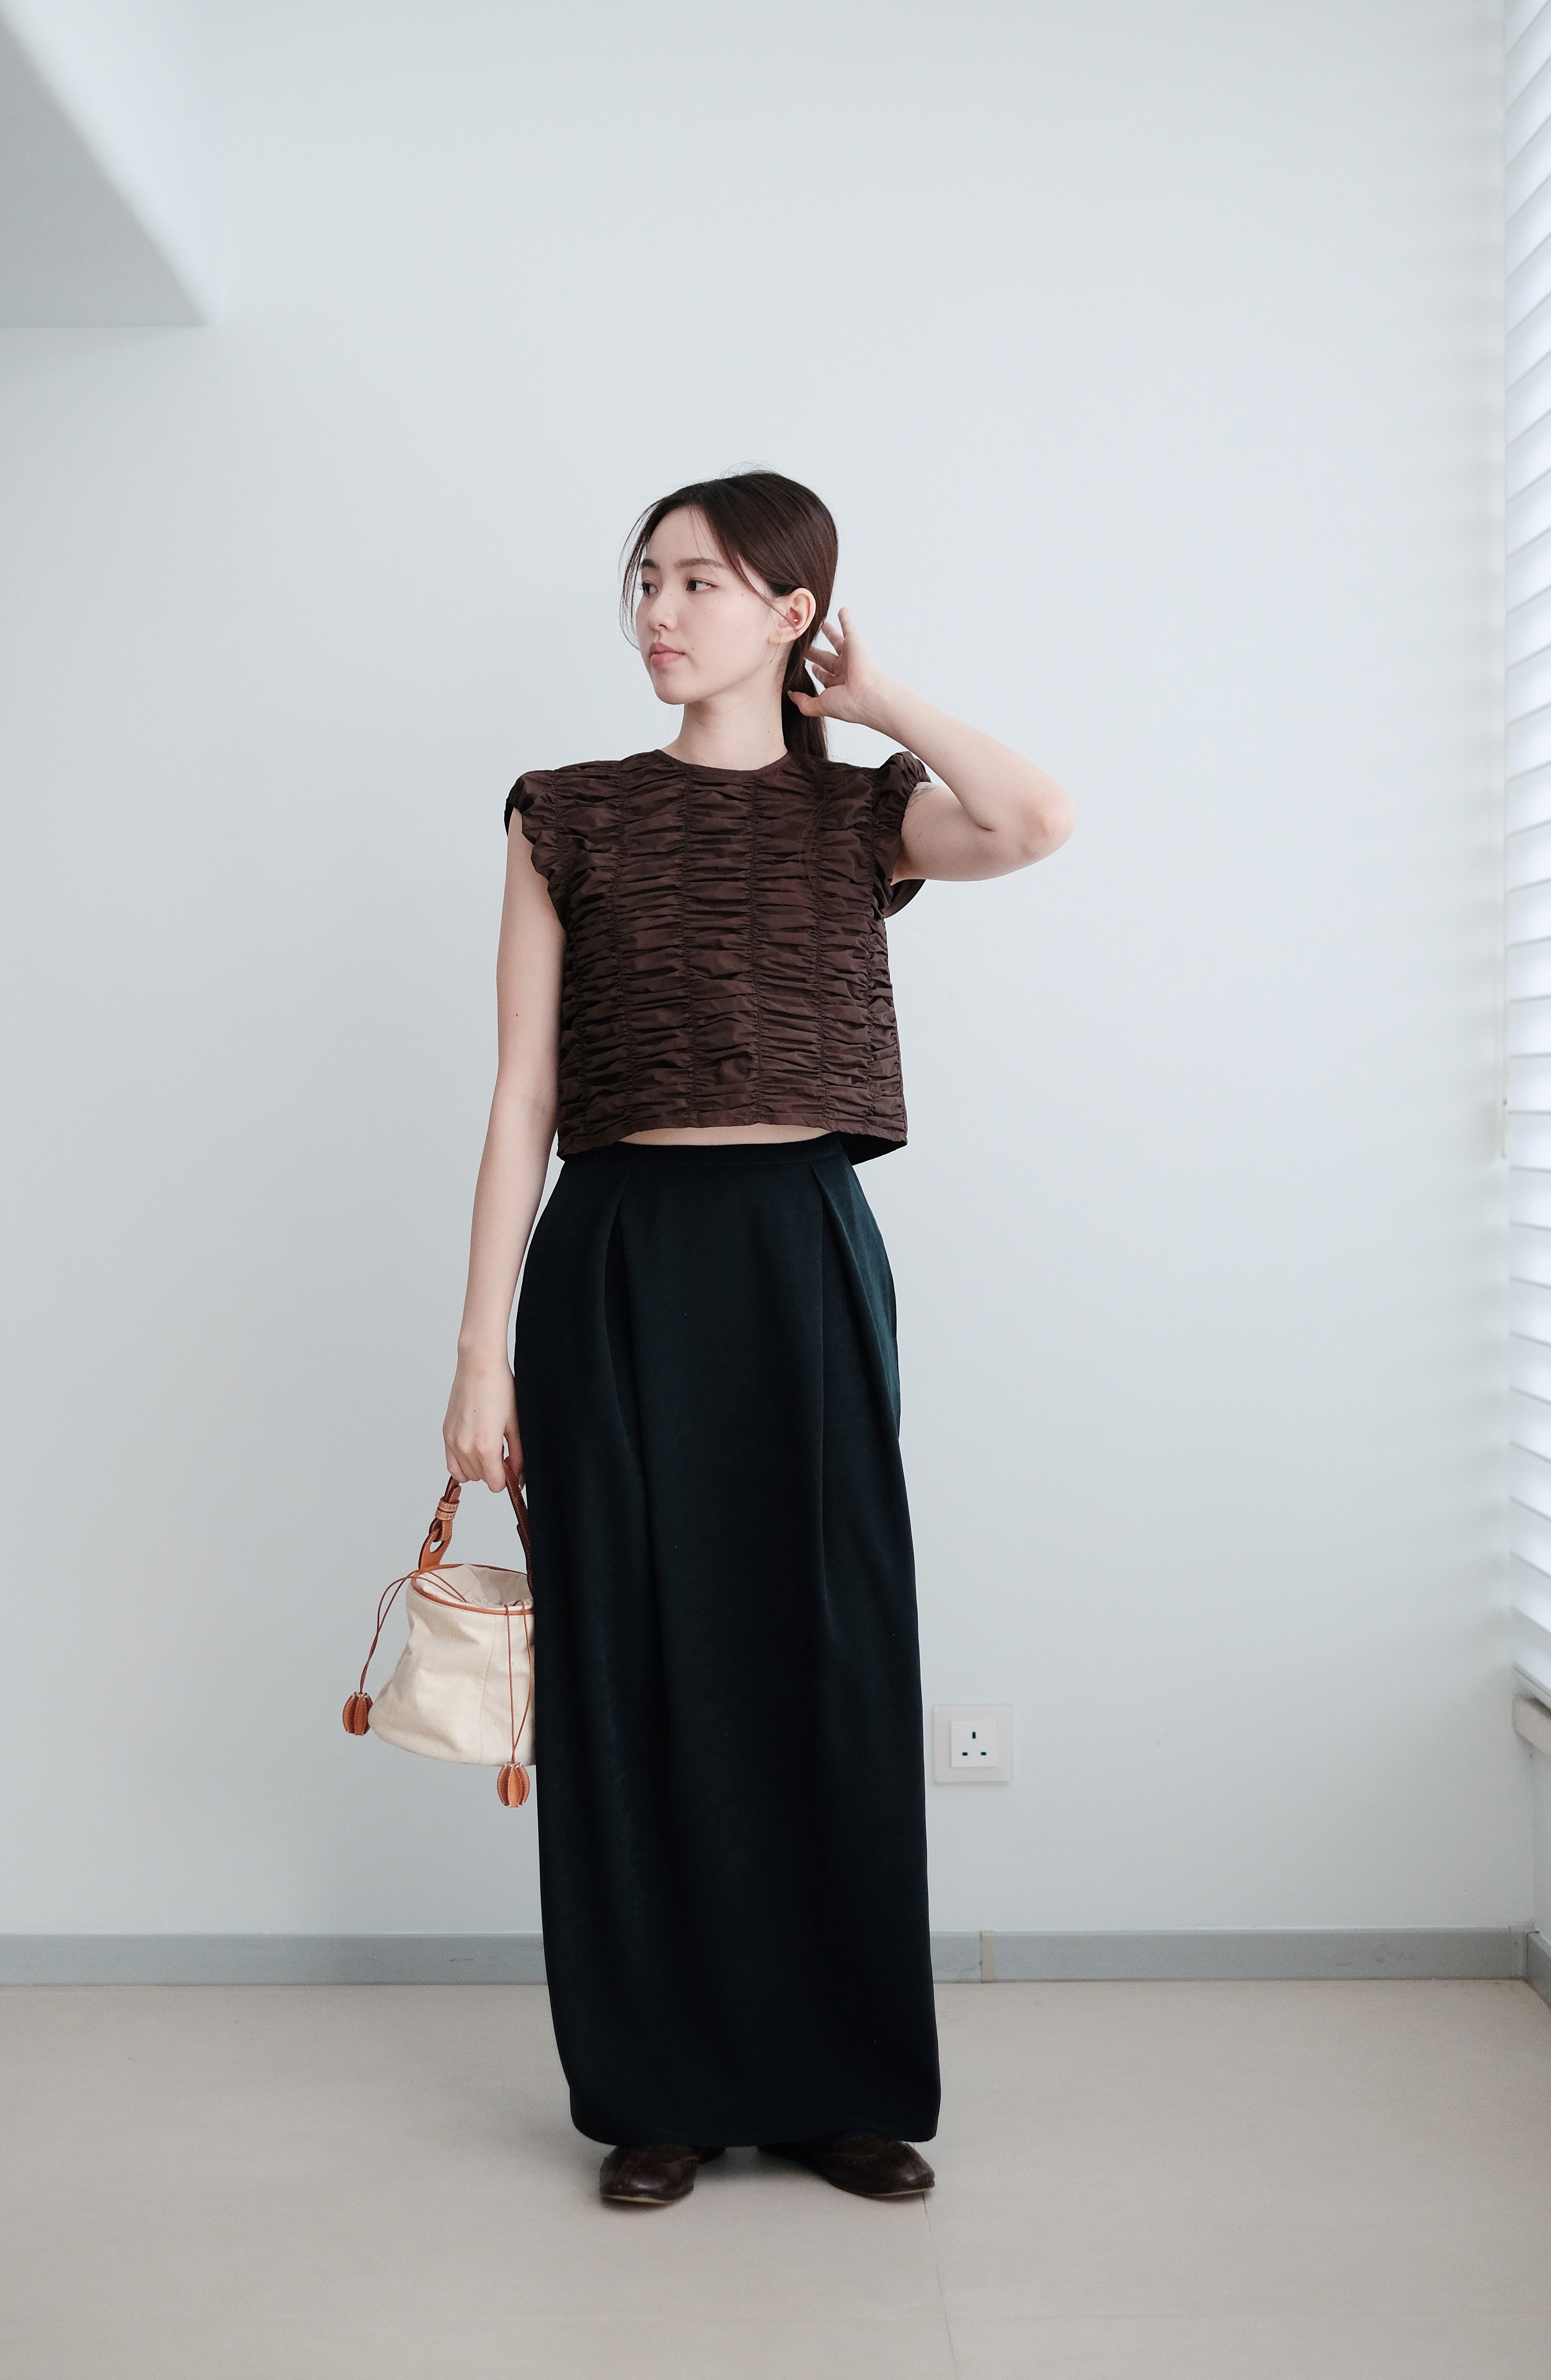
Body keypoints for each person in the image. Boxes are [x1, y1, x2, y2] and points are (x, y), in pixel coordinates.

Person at [442, 470, 1073, 2209]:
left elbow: (1035, 819)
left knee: (828, 1651)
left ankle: (837, 2086)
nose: (657, 611)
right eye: (645, 580)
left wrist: (879, 702)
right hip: (617, 1256)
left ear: (792, 612)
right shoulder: (566, 813)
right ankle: (656, 2089)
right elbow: (521, 1097)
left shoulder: (864, 814)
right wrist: (481, 1351)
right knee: (631, 1662)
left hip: (798, 1246)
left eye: (701, 582)